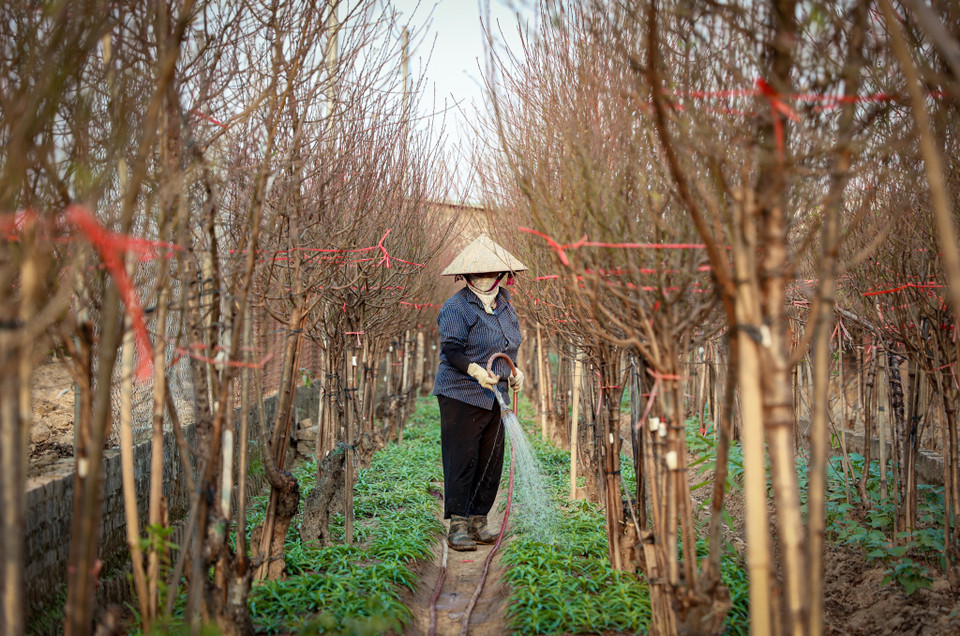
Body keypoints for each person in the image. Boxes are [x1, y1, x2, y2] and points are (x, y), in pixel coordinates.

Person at [433, 234, 527, 551]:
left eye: (490, 273)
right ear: (468, 275)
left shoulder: (505, 306)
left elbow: (509, 346)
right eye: (478, 274)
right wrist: (474, 370)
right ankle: (457, 524)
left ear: (501, 274)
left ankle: (478, 521)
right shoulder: (457, 306)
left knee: (491, 459)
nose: (484, 279)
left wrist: (515, 372)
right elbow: (452, 349)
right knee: (463, 459)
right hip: (461, 393)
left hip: (496, 394)